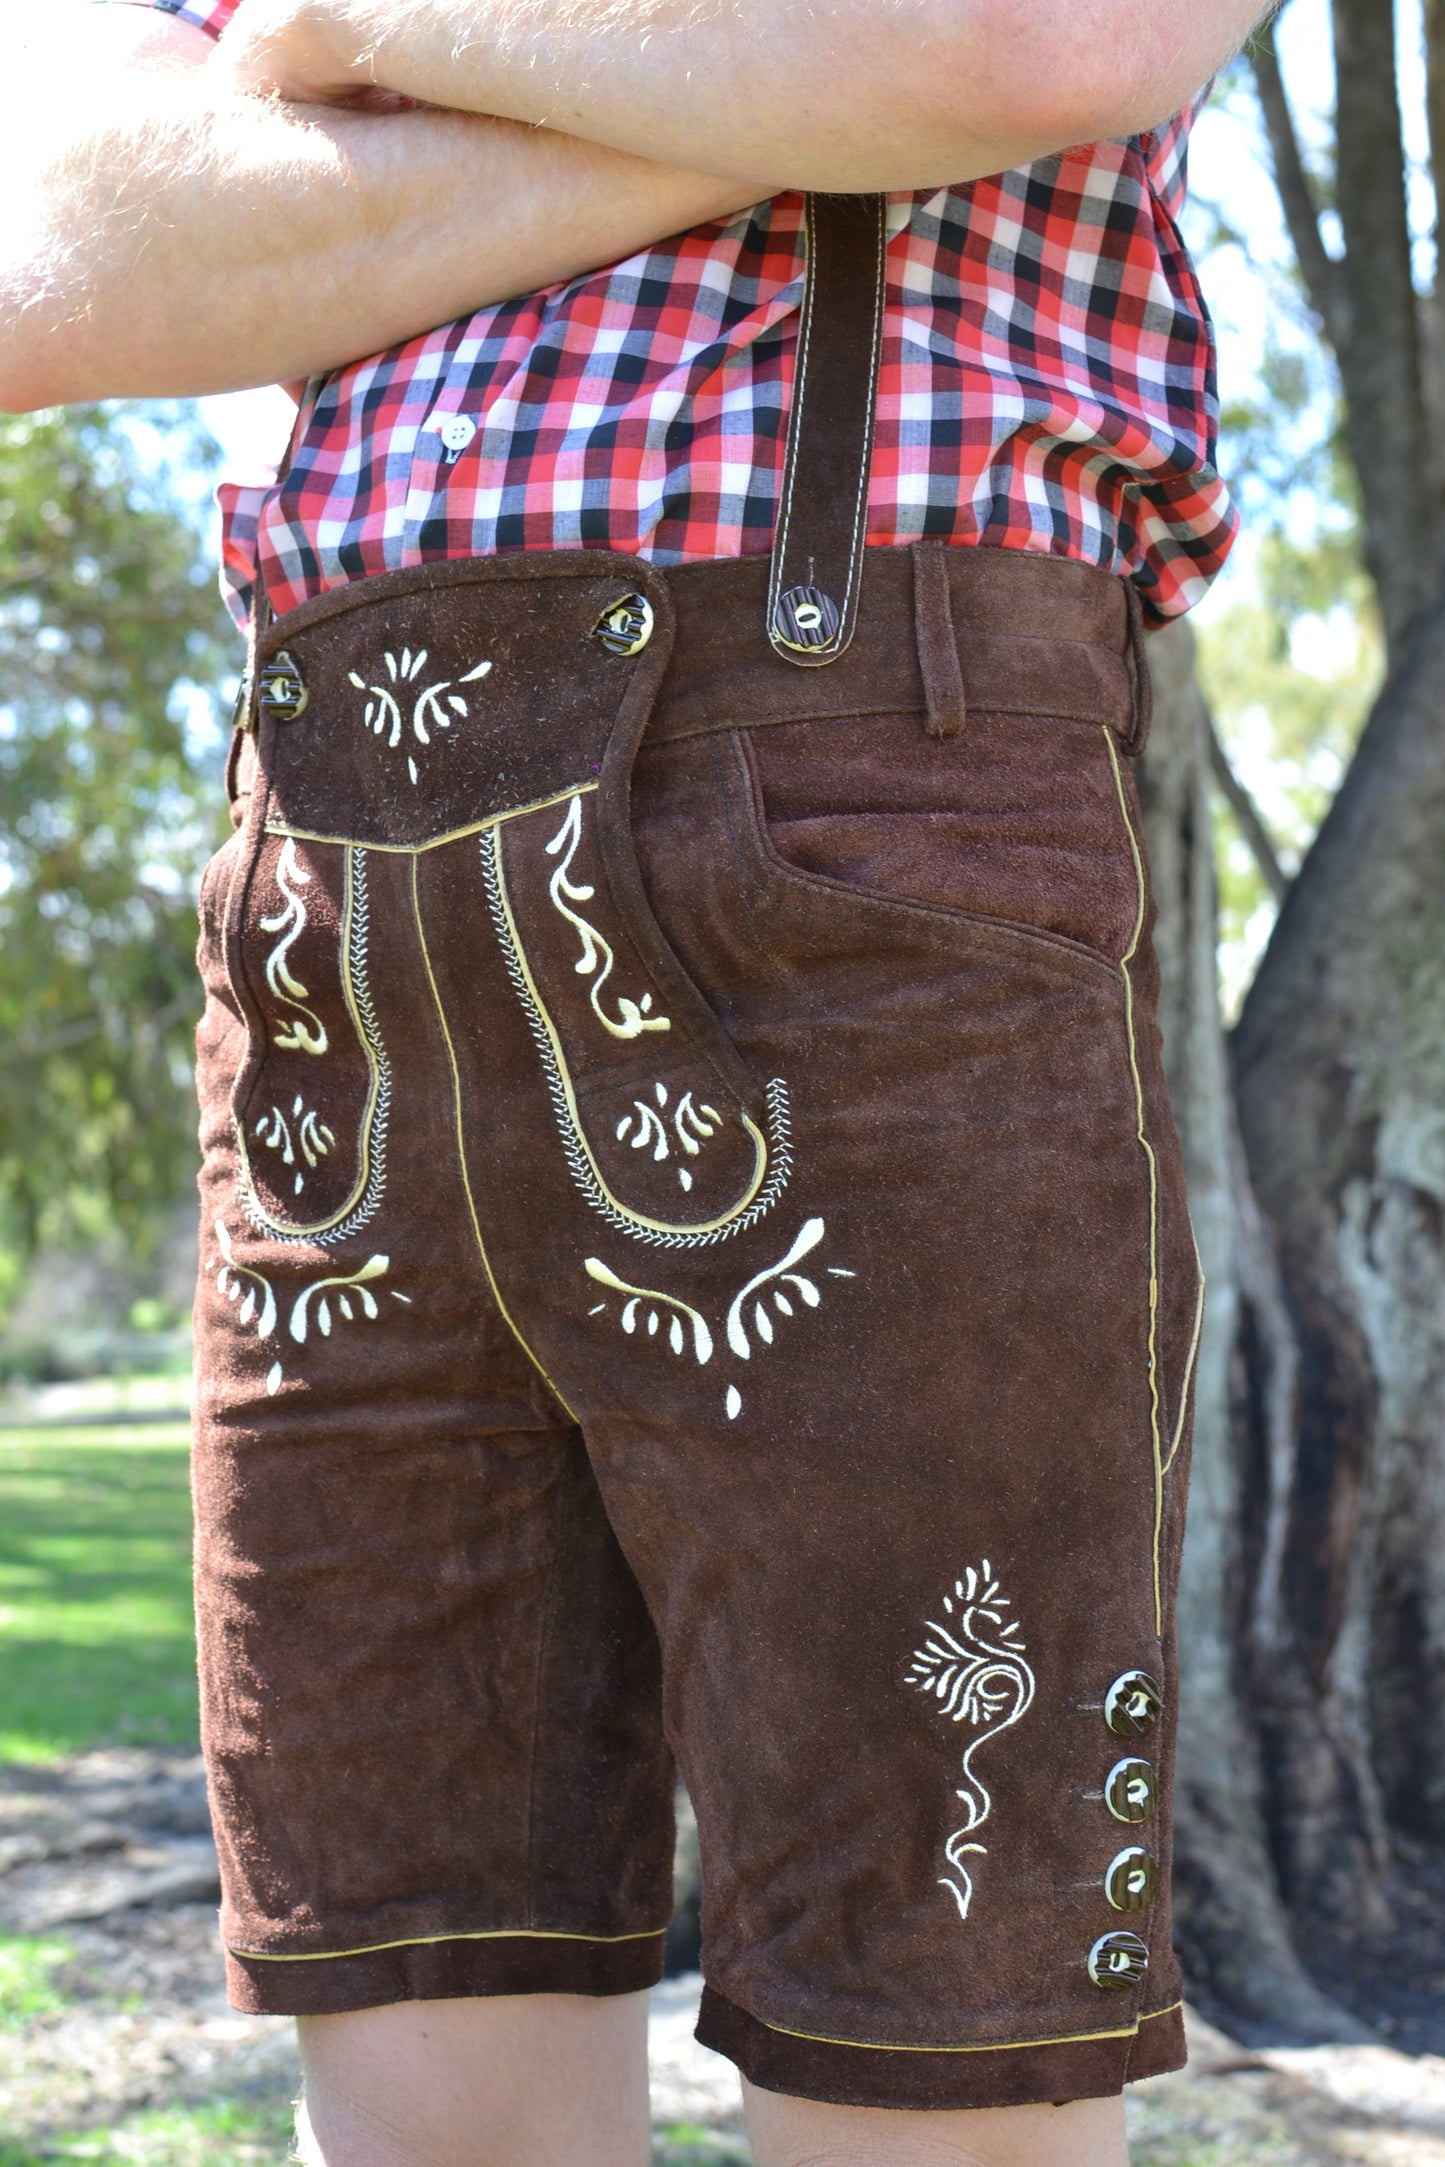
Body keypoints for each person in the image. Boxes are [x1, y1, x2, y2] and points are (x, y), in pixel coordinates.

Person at [1, 4, 1268, 2161]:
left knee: (935, 2060)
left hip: (862, 807)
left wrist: (346, 33)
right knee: (416, 2069)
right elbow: (52, 258)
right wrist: (785, 90)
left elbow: (1028, 39)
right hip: (335, 900)